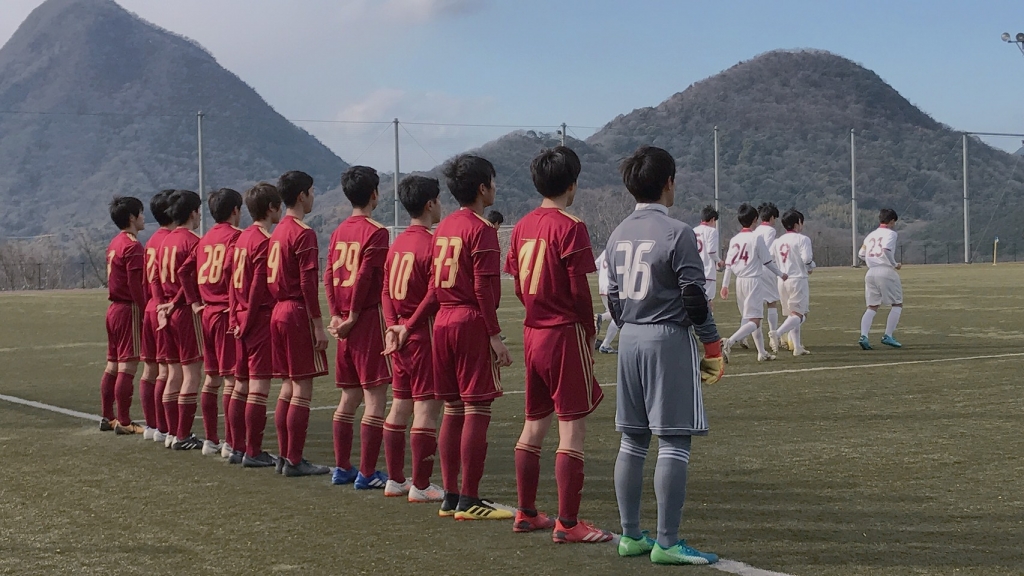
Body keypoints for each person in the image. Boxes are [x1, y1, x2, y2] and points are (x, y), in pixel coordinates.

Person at [606, 145, 723, 565]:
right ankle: (668, 542)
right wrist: (712, 345)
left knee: (633, 439)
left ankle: (630, 535)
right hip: (666, 339)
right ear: (669, 181)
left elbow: (613, 298)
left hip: (630, 339)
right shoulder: (678, 232)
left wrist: (631, 325)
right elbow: (694, 296)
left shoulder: (618, 232)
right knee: (674, 439)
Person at [386, 154, 514, 521]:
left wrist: (407, 327)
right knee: (476, 409)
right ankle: (470, 499)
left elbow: (433, 290)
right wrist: (494, 336)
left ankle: (451, 496)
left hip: (441, 323)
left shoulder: (442, 230)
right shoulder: (482, 229)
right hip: (469, 322)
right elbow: (481, 288)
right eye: (492, 180)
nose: (495, 187)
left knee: (453, 410)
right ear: (482, 188)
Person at [504, 146, 612, 543]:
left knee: (534, 424)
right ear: (573, 183)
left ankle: (526, 512)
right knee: (572, 429)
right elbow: (579, 291)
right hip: (563, 332)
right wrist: (587, 329)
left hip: (532, 331)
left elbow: (517, 283)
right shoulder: (571, 226)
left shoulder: (520, 226)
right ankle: (568, 523)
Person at [325, 166, 393, 489]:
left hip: (343, 324)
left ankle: (342, 468)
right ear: (374, 194)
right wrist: (351, 315)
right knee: (375, 398)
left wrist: (336, 315)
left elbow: (328, 275)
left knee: (348, 398)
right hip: (365, 321)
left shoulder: (339, 231)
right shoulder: (377, 232)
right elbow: (366, 276)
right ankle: (366, 473)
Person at [380, 175, 446, 503]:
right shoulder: (432, 243)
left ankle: (395, 480)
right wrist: (410, 326)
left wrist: (393, 326)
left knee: (400, 405)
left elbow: (385, 289)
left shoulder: (397, 244)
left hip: (399, 336)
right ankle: (421, 485)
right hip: (421, 336)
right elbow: (435, 292)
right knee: (426, 409)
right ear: (430, 203)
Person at [268, 170, 330, 477]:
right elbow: (308, 283)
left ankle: (284, 456)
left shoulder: (278, 231)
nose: (313, 196)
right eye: (312, 191)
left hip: (277, 310)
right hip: (295, 312)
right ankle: (294, 459)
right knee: (302, 389)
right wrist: (317, 323)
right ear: (302, 195)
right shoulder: (303, 233)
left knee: (287, 387)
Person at [227, 182, 282, 467]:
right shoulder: (263, 241)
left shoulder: (242, 238)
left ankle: (237, 447)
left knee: (241, 386)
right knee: (258, 387)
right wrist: (247, 322)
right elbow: (258, 287)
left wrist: (234, 318)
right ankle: (253, 450)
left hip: (240, 318)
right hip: (257, 319)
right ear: (272, 208)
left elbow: (233, 286)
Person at [192, 188, 243, 457]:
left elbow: (184, 269)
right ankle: (230, 442)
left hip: (207, 313)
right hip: (226, 313)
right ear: (235, 210)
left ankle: (211, 439)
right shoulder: (237, 238)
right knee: (232, 379)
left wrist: (194, 301)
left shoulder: (204, 240)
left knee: (211, 379)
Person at [156, 190, 205, 450]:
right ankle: (183, 435)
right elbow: (191, 279)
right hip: (184, 311)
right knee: (191, 374)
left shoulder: (164, 241)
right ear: (192, 212)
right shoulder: (192, 241)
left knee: (173, 373)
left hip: (166, 311)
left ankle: (172, 432)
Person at [100, 196, 148, 435]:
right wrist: (146, 309)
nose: (143, 217)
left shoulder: (115, 243)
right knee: (128, 366)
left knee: (112, 364)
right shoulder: (132, 246)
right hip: (128, 309)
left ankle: (108, 416)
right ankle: (125, 421)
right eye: (140, 213)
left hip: (113, 310)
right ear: (131, 217)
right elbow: (136, 285)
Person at [720, 203, 787, 362]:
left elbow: (728, 264)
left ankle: (762, 352)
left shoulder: (735, 239)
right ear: (755, 219)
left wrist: (724, 285)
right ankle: (729, 341)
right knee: (755, 320)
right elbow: (767, 262)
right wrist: (781, 274)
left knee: (752, 317)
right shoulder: (756, 237)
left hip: (739, 282)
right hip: (753, 281)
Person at [139, 190, 175, 441]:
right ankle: (164, 427)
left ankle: (153, 425)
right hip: (166, 308)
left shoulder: (151, 240)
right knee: (166, 371)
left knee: (150, 368)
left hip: (151, 306)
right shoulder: (171, 240)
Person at [769, 209, 814, 356]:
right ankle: (778, 333)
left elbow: (771, 258)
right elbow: (807, 259)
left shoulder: (778, 241)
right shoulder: (802, 239)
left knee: (792, 314)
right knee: (799, 314)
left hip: (782, 279)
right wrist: (810, 266)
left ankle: (797, 346)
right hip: (797, 279)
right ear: (797, 223)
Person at [858, 208, 903, 349]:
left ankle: (864, 335)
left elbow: (861, 254)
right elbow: (886, 250)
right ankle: (888, 335)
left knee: (872, 306)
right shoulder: (891, 234)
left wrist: (872, 260)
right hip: (885, 271)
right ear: (892, 221)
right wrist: (894, 264)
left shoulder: (870, 235)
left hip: (870, 272)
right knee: (897, 304)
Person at [753, 203, 782, 352]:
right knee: (772, 302)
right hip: (767, 268)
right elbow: (768, 250)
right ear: (771, 218)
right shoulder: (770, 230)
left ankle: (744, 335)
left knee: (754, 305)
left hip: (755, 269)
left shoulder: (756, 229)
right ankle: (773, 335)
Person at [692, 205, 721, 307]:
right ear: (713, 219)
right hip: (707, 272)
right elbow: (711, 251)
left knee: (696, 303)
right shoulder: (712, 231)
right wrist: (719, 261)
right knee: (708, 303)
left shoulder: (693, 230)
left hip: (695, 272)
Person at [593, 249, 619, 354]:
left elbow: (596, 265)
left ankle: (601, 317)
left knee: (613, 313)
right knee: (618, 316)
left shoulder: (605, 251)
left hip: (603, 287)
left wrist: (602, 277)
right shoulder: (619, 247)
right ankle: (605, 345)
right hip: (613, 287)